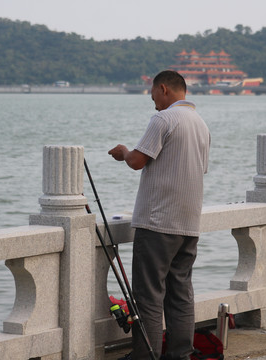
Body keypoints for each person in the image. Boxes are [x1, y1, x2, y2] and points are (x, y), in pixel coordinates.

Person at [108, 70, 210, 360]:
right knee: (180, 294)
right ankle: (181, 354)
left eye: (153, 95)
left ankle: (146, 356)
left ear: (163, 89)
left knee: (149, 295)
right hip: (189, 224)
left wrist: (124, 151)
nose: (153, 102)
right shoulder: (201, 124)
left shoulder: (163, 119)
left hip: (157, 223)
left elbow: (138, 161)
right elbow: (198, 169)